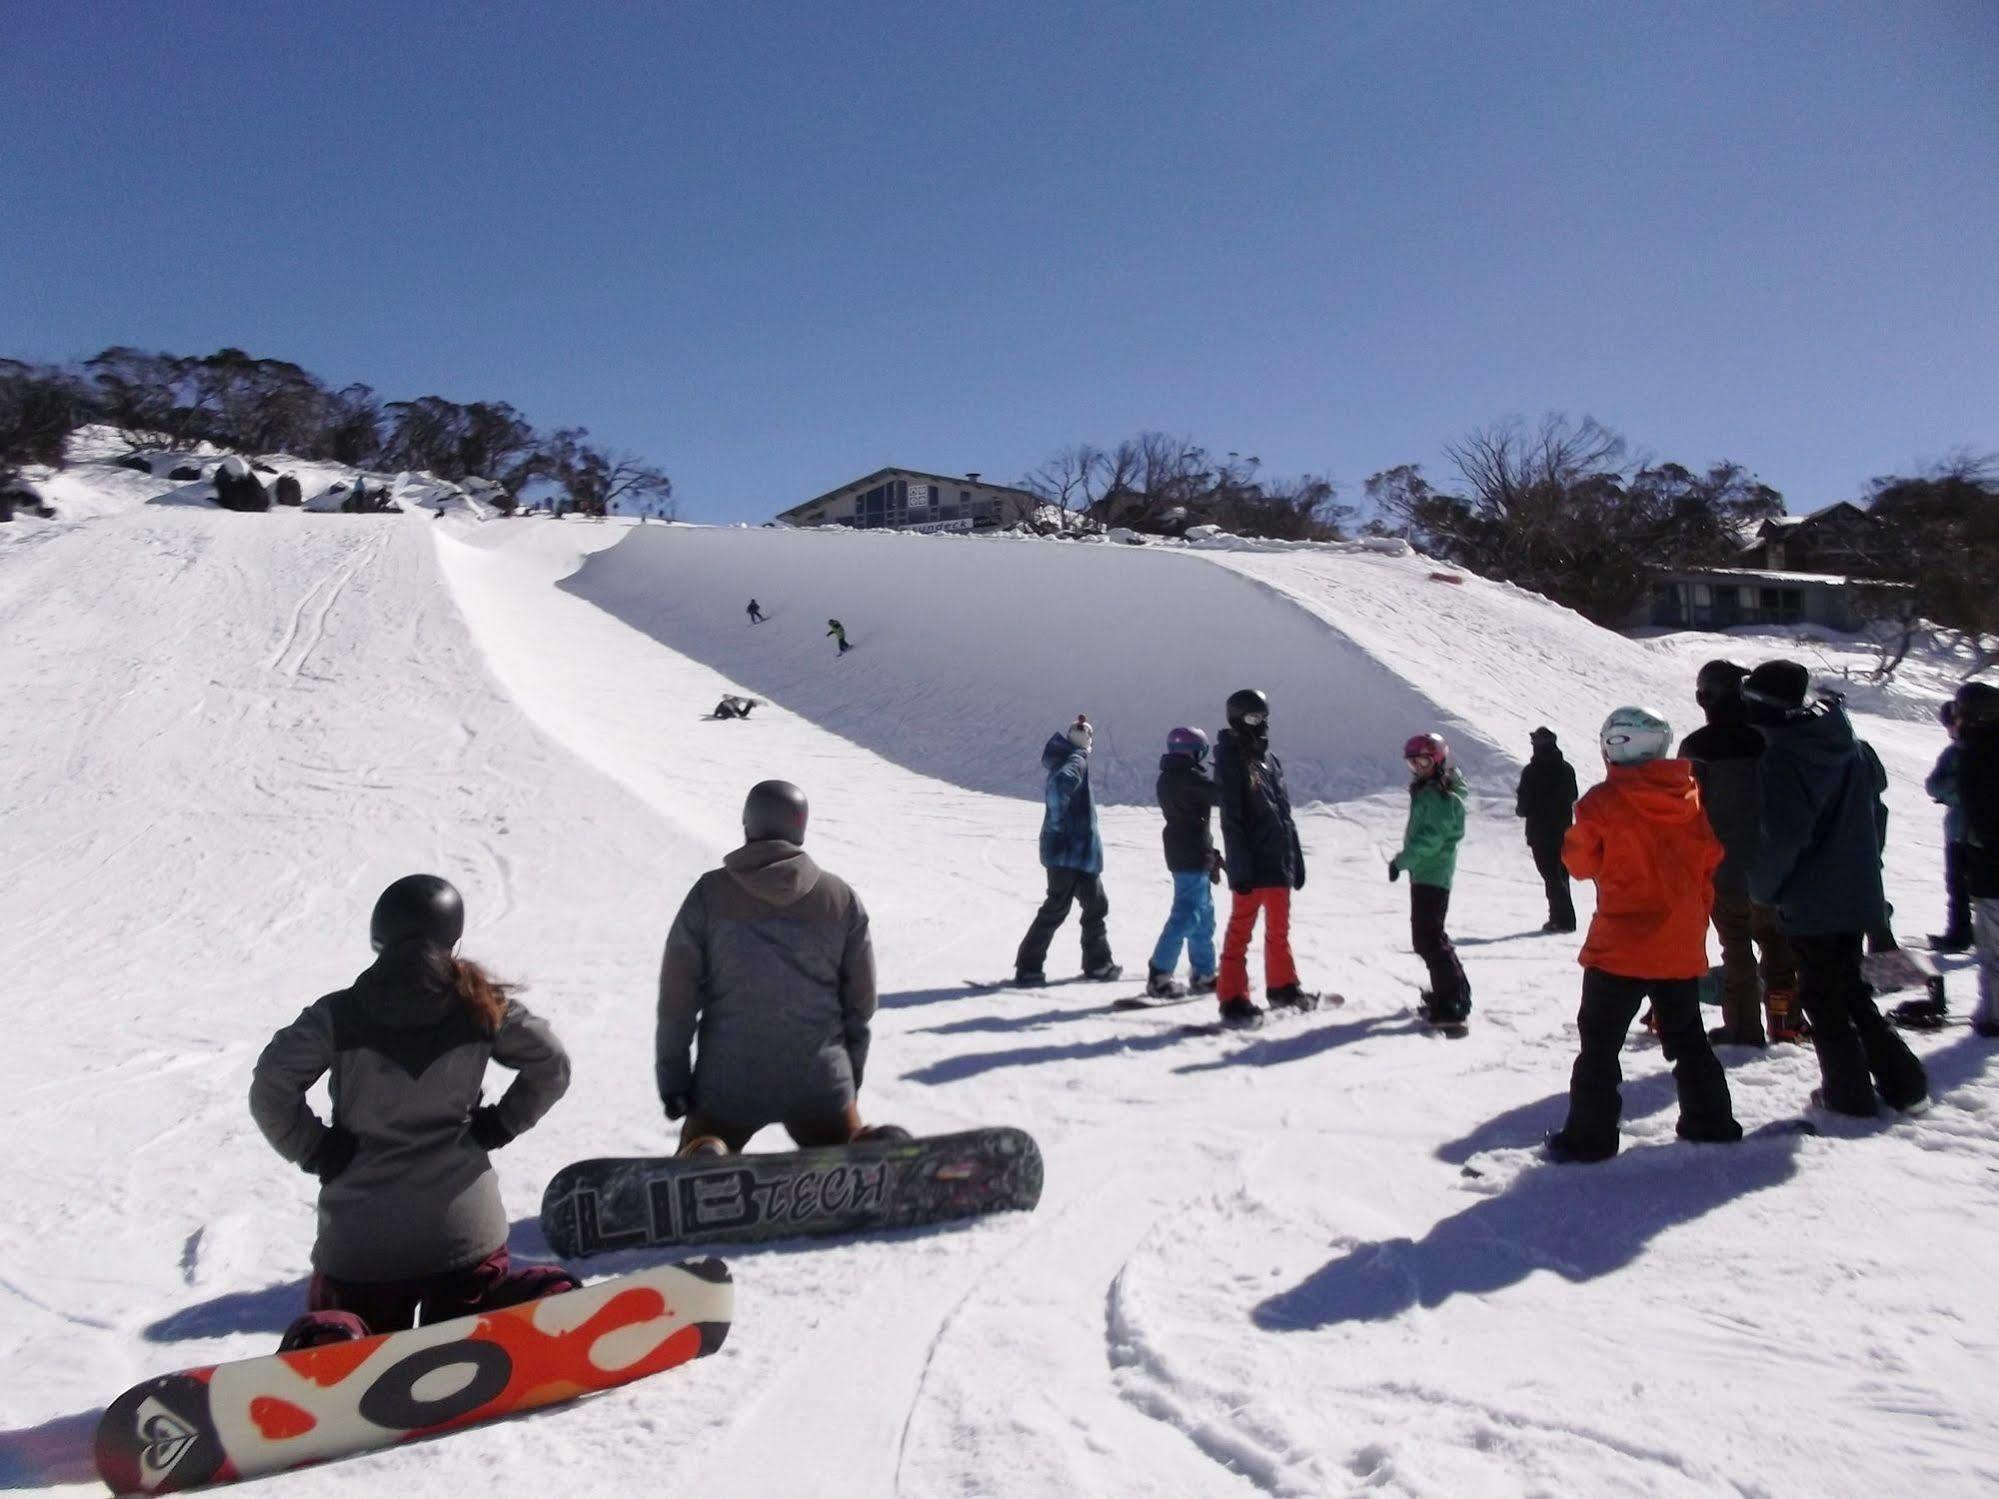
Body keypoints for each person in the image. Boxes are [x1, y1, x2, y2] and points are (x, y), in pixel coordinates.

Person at [250, 876, 575, 1349]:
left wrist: (317, 1149)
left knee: (353, 1324)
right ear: (453, 938)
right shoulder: (483, 1006)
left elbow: (271, 1086)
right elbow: (551, 1063)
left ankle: (339, 1338)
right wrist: (500, 1123)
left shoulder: (336, 1016)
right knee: (476, 1304)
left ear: (379, 937)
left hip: (362, 1244)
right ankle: (524, 1304)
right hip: (466, 1234)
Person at [1547, 708, 1741, 1162]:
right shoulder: (1689, 796)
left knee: (1599, 1044)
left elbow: (1578, 865)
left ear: (1615, 746)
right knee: (1687, 1036)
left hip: (1620, 945)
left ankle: (1589, 1138)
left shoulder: (1602, 802)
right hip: (1677, 941)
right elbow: (1711, 857)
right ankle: (1710, 1121)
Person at [1742, 660, 1929, 1115]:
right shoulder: (1844, 743)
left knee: (1825, 1000)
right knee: (1848, 991)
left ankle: (1849, 1098)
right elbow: (1876, 813)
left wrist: (1762, 890)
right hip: (1856, 889)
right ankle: (1905, 1086)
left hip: (1813, 900)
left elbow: (1784, 837)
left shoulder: (1786, 758)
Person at [657, 781, 884, 1151]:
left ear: (748, 824)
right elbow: (860, 1002)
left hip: (728, 1081)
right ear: (801, 828)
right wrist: (848, 1079)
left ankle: (706, 1151)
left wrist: (674, 1082)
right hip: (820, 1079)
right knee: (843, 1151)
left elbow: (676, 1002)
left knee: (698, 1154)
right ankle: (864, 1148)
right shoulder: (840, 898)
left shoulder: (709, 895)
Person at [1678, 659, 1799, 1046]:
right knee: (1778, 951)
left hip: (1724, 869)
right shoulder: (1769, 736)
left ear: (1706, 697)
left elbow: (1685, 811)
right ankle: (1784, 1021)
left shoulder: (1698, 746)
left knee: (1737, 952)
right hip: (1775, 868)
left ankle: (1744, 1027)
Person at [1214, 689, 1312, 1024]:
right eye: (1255, 717)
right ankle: (1233, 997)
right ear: (1238, 718)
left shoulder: (1270, 761)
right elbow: (1232, 819)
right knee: (1241, 930)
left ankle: (1283, 986)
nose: (1262, 723)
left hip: (1277, 861)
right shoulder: (1232, 760)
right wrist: (1240, 869)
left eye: (1265, 716)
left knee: (1279, 930)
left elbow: (1284, 815)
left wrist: (1294, 859)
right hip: (1253, 865)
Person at [1014, 716, 1120, 985]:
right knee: (1058, 907)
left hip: (1075, 853)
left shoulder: (1070, 758)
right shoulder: (1077, 760)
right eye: (1085, 734)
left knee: (1095, 904)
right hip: (1069, 853)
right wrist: (1060, 825)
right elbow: (1060, 786)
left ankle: (1097, 963)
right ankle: (1028, 966)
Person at [1390, 732, 1470, 1026]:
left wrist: (1401, 861)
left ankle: (1453, 1000)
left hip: (1432, 873)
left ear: (1436, 760)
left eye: (1423, 761)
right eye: (1413, 763)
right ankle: (1450, 992)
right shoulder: (1431, 789)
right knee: (1429, 937)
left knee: (1428, 939)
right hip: (1428, 873)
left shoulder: (1437, 794)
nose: (1418, 768)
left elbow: (1431, 839)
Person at [1147, 725, 1221, 998]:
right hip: (1189, 855)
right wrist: (1226, 766)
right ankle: (1159, 974)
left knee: (1203, 918)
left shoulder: (1174, 777)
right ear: (1193, 752)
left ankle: (1204, 974)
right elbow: (1221, 795)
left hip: (1192, 852)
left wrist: (1211, 853)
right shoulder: (1185, 779)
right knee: (1186, 916)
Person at [1954, 681, 1999, 1037]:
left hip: (1991, 866)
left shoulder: (1976, 751)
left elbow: (1979, 811)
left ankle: (1994, 1014)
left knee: (1993, 944)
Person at [1514, 726, 1578, 933]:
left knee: (1551, 876)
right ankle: (1563, 918)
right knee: (1560, 874)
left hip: (1540, 833)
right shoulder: (1566, 768)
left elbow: (1523, 807)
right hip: (1564, 830)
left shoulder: (1532, 772)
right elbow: (1573, 796)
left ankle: (1562, 920)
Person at [1926, 700, 1971, 952]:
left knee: (1960, 884)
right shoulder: (1953, 752)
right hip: (1958, 829)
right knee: (1958, 884)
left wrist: (1954, 792)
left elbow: (1938, 787)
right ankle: (1961, 931)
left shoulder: (1957, 753)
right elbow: (1934, 785)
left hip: (1963, 830)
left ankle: (1960, 934)